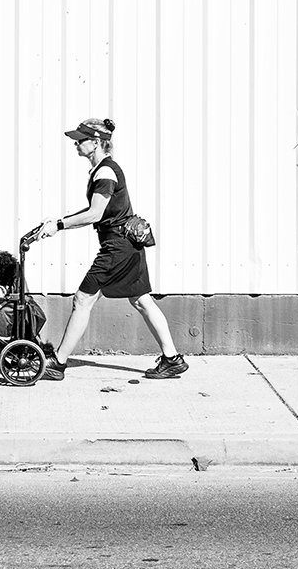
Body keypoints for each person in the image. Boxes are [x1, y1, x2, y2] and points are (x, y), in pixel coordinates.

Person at [23, 117, 187, 381]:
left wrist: (60, 225)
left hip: (118, 247)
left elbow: (95, 214)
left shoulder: (106, 171)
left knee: (83, 299)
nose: (76, 143)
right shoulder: (101, 169)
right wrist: (55, 222)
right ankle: (172, 359)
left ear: (97, 142)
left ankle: (58, 363)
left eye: (81, 139)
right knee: (141, 299)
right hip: (128, 244)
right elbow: (94, 211)